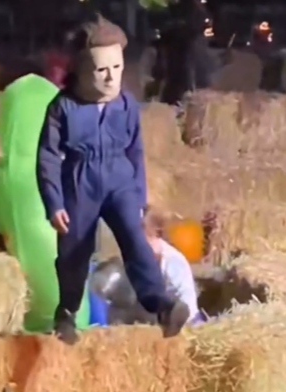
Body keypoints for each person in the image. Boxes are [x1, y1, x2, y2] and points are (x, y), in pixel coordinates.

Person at [36, 14, 189, 344]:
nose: (110, 78)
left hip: (119, 177)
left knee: (135, 240)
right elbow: (47, 156)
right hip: (80, 179)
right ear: (81, 71)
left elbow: (135, 151)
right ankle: (66, 314)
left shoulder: (126, 105)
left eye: (117, 68)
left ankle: (161, 305)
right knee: (75, 249)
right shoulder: (62, 108)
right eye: (101, 69)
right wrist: (54, 202)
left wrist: (138, 195)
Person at [143, 207, 205, 326]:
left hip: (187, 323)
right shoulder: (150, 258)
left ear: (157, 234)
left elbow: (184, 299)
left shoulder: (172, 261)